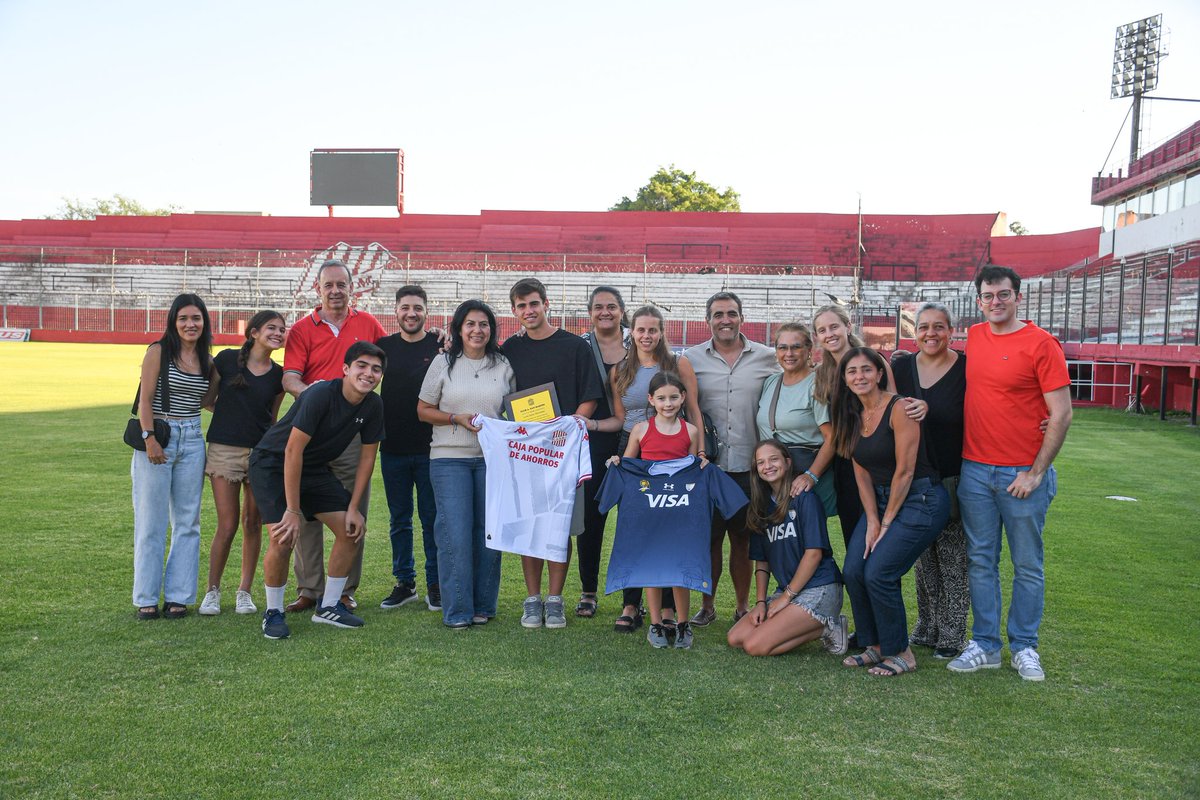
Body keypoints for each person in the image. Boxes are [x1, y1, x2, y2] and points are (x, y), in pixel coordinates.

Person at [948, 265, 1072, 682]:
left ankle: (1024, 646)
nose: (995, 302)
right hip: (976, 470)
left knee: (1027, 564)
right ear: (979, 299)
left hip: (1023, 474)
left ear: (1018, 296)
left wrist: (1036, 473)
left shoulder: (1041, 343)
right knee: (981, 561)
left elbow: (1061, 414)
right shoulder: (976, 338)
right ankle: (985, 645)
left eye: (1003, 295)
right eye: (988, 296)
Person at [252, 341, 387, 639]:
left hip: (313, 469)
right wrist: (292, 510)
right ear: (346, 369)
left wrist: (353, 507)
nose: (368, 373)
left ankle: (328, 607)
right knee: (284, 536)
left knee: (351, 530)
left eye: (376, 369)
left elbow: (367, 458)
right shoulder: (320, 394)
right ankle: (273, 611)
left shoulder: (373, 404)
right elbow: (291, 451)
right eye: (362, 366)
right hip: (274, 464)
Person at [833, 347, 949, 677]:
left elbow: (906, 471)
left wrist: (885, 522)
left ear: (880, 373)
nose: (860, 377)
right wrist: (871, 519)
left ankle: (901, 651)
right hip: (880, 501)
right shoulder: (850, 413)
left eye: (866, 370)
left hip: (920, 499)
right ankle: (875, 645)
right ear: (844, 379)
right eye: (852, 371)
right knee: (854, 569)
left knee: (879, 572)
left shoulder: (900, 408)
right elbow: (861, 471)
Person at [280, 259, 385, 613]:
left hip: (352, 433)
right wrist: (317, 396)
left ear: (352, 287)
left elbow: (390, 357)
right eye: (329, 285)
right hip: (312, 431)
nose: (336, 291)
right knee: (307, 511)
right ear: (318, 289)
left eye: (342, 284)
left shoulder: (368, 323)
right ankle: (309, 589)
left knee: (353, 509)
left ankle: (343, 589)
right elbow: (290, 378)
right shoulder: (300, 329)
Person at [593, 304, 702, 632]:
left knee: (669, 529)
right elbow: (620, 418)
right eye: (641, 329)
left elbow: (694, 410)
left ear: (662, 332)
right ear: (631, 331)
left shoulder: (678, 363)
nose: (647, 335)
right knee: (635, 528)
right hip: (634, 451)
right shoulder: (620, 370)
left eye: (653, 329)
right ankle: (631, 602)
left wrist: (700, 456)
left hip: (673, 454)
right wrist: (593, 426)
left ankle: (668, 607)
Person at [502, 278, 603, 629]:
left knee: (560, 526)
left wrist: (569, 429)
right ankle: (533, 599)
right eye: (521, 306)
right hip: (526, 453)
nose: (528, 311)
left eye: (533, 303)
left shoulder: (575, 346)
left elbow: (591, 396)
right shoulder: (510, 349)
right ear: (514, 311)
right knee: (530, 525)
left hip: (564, 452)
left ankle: (556, 599)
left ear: (546, 304)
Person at [416, 300, 514, 629]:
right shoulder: (443, 363)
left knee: (488, 535)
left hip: (491, 461)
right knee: (455, 535)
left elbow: (514, 413)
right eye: (470, 324)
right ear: (459, 328)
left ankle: (483, 605)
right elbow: (423, 409)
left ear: (492, 329)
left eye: (484, 324)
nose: (477, 330)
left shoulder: (502, 365)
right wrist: (454, 418)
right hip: (449, 460)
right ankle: (457, 610)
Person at [683, 291, 778, 626]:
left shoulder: (767, 357)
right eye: (718, 314)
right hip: (708, 467)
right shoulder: (690, 359)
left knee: (743, 539)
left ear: (742, 317)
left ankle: (741, 606)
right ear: (707, 320)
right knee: (708, 540)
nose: (725, 320)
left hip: (750, 467)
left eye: (732, 313)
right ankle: (707, 606)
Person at [890, 302, 969, 659]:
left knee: (953, 557)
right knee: (923, 556)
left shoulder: (967, 367)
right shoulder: (902, 366)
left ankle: (952, 632)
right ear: (914, 331)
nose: (931, 334)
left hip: (954, 475)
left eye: (939, 327)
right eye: (923, 327)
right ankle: (926, 625)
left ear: (951, 331)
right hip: (915, 476)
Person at [131, 293, 217, 619]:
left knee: (188, 522)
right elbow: (146, 400)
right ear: (173, 322)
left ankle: (179, 596)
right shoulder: (158, 351)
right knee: (150, 522)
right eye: (183, 318)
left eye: (195, 318)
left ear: (204, 322)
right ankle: (146, 598)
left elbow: (209, 402)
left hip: (194, 438)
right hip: (161, 434)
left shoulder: (206, 360)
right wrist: (150, 438)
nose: (189, 324)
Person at [813, 304, 926, 548]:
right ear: (817, 337)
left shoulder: (872, 361)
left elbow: (894, 407)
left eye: (834, 326)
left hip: (877, 460)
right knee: (853, 534)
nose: (829, 334)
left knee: (881, 540)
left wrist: (921, 406)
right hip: (846, 461)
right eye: (822, 330)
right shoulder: (822, 374)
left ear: (847, 327)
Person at [605, 372, 703, 648]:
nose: (668, 403)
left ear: (683, 398)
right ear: (651, 400)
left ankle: (683, 624)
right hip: (649, 510)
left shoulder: (690, 431)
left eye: (673, 397)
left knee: (679, 565)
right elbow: (629, 464)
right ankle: (657, 623)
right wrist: (618, 461)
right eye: (661, 398)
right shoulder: (641, 430)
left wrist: (702, 466)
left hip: (679, 510)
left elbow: (693, 470)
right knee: (652, 566)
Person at [198, 310, 286, 616]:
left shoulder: (279, 375)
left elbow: (272, 418)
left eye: (281, 329)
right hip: (224, 450)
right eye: (271, 328)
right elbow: (207, 399)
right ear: (254, 332)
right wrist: (230, 418)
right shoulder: (226, 359)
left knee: (253, 523)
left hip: (260, 454)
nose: (278, 333)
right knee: (227, 523)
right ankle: (212, 590)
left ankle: (244, 591)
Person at [727, 440, 847, 657]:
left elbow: (814, 554)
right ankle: (806, 624)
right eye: (761, 462)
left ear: (788, 462)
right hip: (788, 591)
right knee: (736, 638)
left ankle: (828, 626)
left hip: (819, 588)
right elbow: (761, 562)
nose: (768, 466)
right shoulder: (761, 507)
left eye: (774, 459)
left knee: (756, 646)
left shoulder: (805, 499)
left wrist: (786, 598)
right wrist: (761, 602)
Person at [377, 285, 441, 612]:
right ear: (396, 310)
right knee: (399, 519)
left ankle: (435, 583)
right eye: (405, 308)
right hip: (392, 449)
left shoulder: (441, 345)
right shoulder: (382, 347)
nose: (411, 313)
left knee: (432, 518)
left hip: (432, 448)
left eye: (417, 307)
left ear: (426, 311)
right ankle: (405, 582)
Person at [574, 286, 630, 620]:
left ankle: (631, 595)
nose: (605, 312)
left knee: (634, 520)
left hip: (637, 442)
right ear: (590, 312)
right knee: (591, 519)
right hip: (593, 441)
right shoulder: (580, 346)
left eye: (611, 306)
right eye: (598, 307)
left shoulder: (639, 343)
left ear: (623, 310)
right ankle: (589, 591)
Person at [755, 322, 837, 518]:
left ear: (809, 350)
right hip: (774, 477)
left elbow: (832, 437)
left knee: (806, 538)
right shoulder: (771, 382)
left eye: (796, 347)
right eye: (782, 347)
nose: (788, 353)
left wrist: (811, 476)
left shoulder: (816, 384)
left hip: (802, 475)